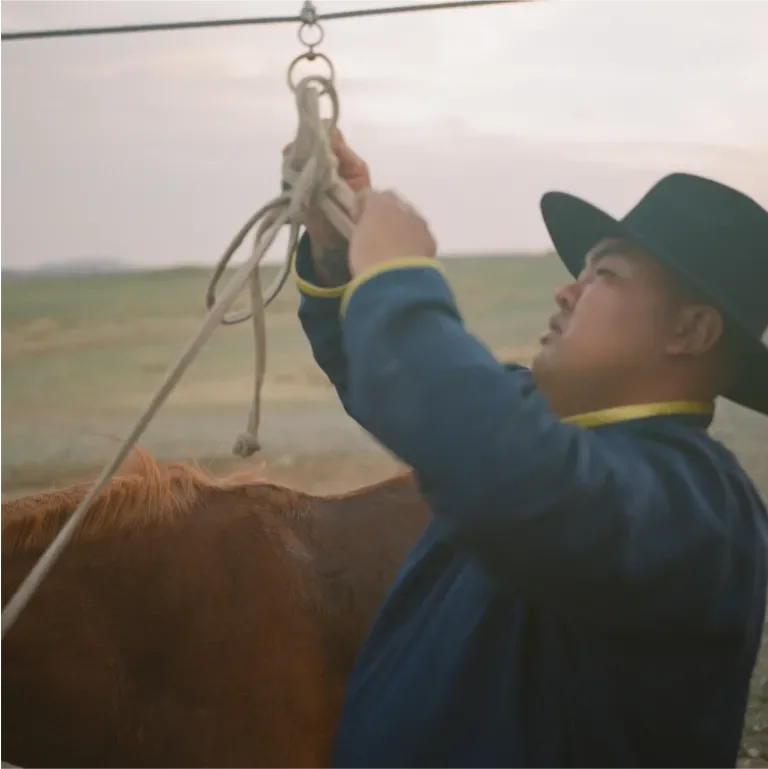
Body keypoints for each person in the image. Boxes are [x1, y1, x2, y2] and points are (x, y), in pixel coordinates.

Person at [290, 129, 768, 768]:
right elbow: (415, 387)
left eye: (605, 274)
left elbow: (487, 445)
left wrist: (399, 276)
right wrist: (337, 248)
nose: (566, 291)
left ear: (690, 330)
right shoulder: (552, 437)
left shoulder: (704, 510)